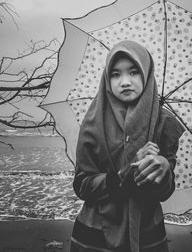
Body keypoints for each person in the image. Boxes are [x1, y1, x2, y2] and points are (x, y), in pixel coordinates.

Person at [70, 40, 184, 252]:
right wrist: (125, 173)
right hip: (95, 232)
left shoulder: (163, 123)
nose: (124, 81)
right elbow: (81, 184)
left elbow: (165, 192)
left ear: (147, 74)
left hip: (147, 233)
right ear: (107, 78)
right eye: (115, 74)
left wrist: (164, 168)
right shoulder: (94, 121)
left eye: (133, 72)